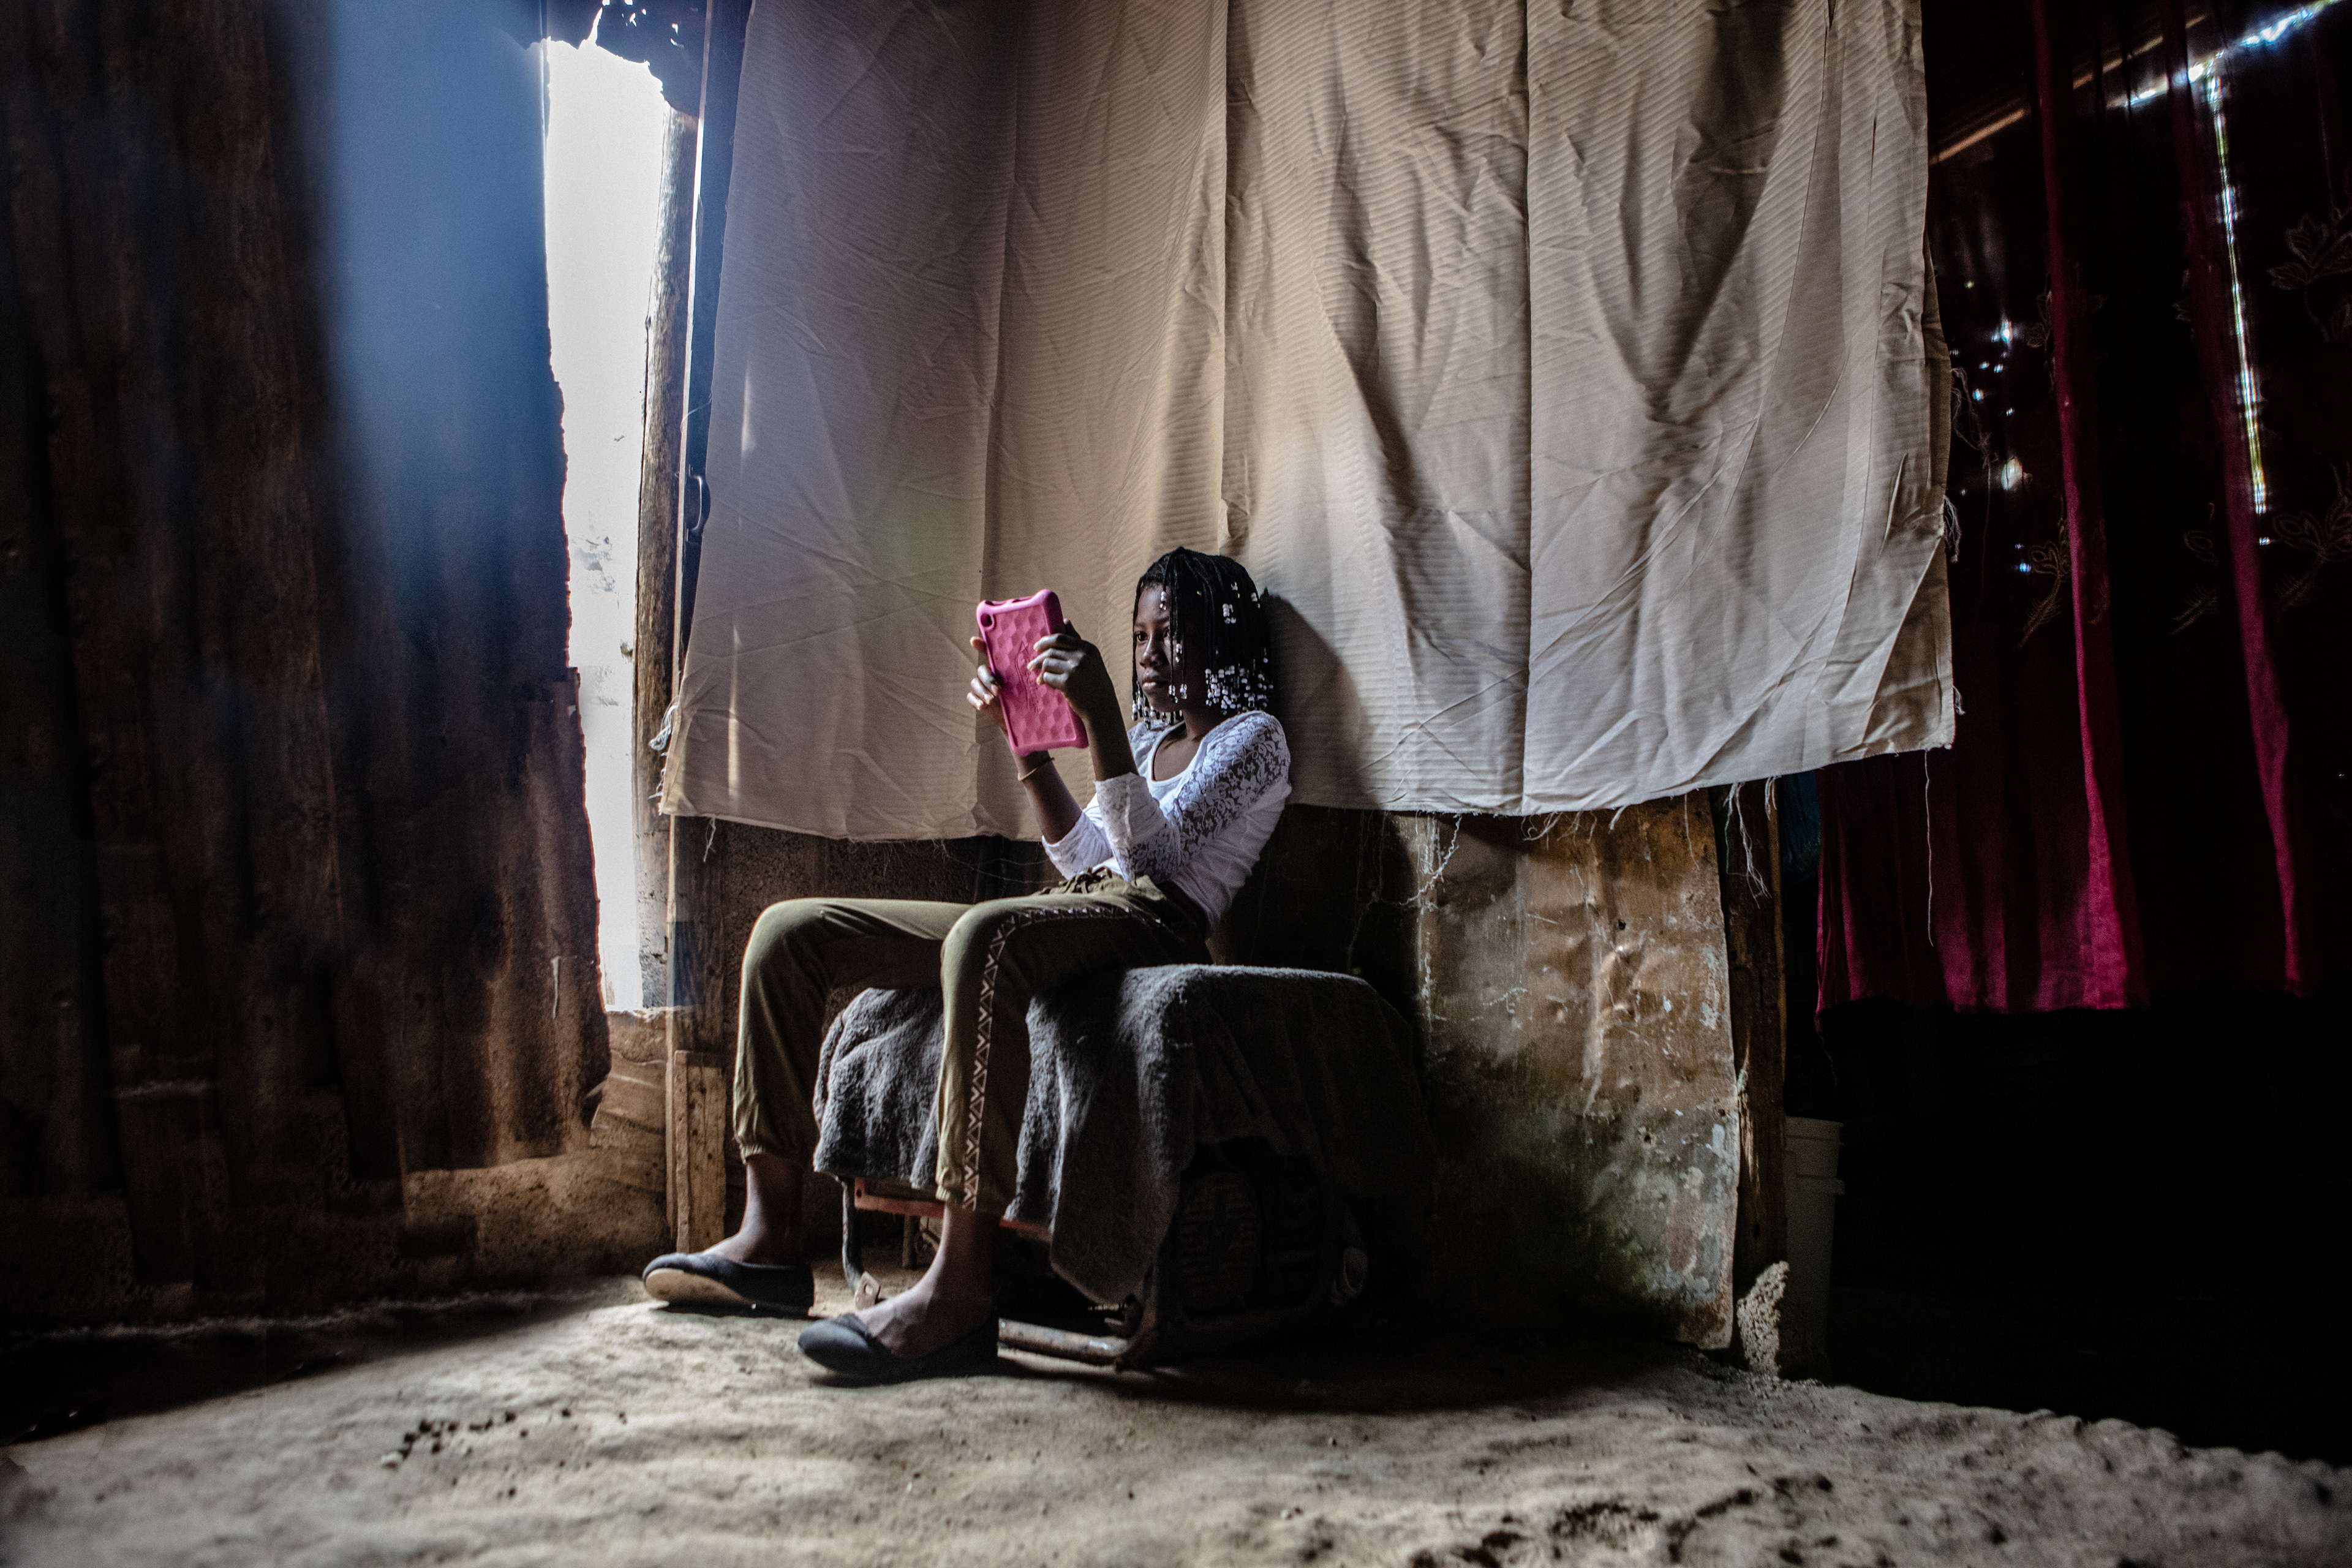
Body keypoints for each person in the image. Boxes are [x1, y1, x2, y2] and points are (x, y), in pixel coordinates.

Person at [640, 548, 1291, 1382]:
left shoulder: (1255, 741)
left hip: (1156, 924)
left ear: (1225, 637)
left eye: (1175, 634)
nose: (1152, 654)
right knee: (789, 933)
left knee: (984, 939)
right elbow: (1083, 857)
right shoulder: (1149, 740)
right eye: (1140, 637)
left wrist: (1098, 721)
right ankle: (769, 1238)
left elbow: (1152, 869)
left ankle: (958, 1291)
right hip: (1084, 902)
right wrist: (1029, 748)